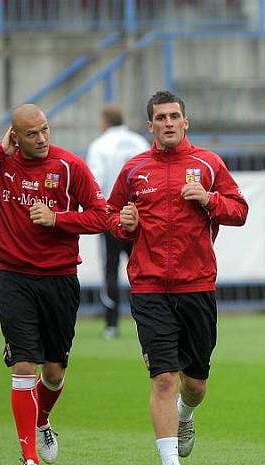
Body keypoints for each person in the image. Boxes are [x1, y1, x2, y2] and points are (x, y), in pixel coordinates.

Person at [106, 91, 248, 465]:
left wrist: (209, 199)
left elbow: (239, 210)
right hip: (149, 288)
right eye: (160, 118)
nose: (168, 123)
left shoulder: (207, 164)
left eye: (174, 116)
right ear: (149, 126)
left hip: (197, 285)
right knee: (164, 377)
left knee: (195, 384)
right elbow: (113, 216)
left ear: (186, 122)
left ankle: (187, 415)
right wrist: (123, 222)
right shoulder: (134, 170)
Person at [0, 104, 108, 465]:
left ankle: (43, 418)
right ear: (15, 136)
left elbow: (102, 215)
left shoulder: (69, 167)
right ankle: (29, 460)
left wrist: (58, 219)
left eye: (45, 129)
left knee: (55, 371)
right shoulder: (0, 164)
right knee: (24, 366)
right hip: (13, 278)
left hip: (60, 279)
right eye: (31, 133)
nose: (42, 138)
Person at [86, 104, 150, 339]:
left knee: (111, 271)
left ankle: (112, 325)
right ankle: (146, 321)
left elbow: (97, 182)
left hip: (113, 217)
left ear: (105, 121)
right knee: (144, 271)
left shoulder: (99, 145)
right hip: (140, 216)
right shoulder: (139, 142)